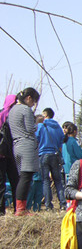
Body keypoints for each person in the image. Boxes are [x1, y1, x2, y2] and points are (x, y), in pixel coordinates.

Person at [9, 87, 41, 216]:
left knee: (22, 177)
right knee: (26, 177)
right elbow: (29, 128)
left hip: (16, 145)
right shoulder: (25, 110)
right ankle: (21, 208)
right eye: (33, 101)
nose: (33, 105)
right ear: (28, 98)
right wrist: (37, 123)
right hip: (26, 145)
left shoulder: (12, 110)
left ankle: (19, 207)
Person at [36, 107, 66, 211]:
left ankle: (48, 205)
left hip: (43, 154)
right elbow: (62, 139)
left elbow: (36, 138)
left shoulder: (41, 125)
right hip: (55, 154)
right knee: (58, 181)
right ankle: (62, 203)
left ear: (45, 115)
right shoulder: (57, 126)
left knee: (45, 180)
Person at [0, 94, 18, 215]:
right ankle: (16, 207)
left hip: (7, 153)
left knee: (5, 182)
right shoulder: (9, 115)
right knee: (12, 181)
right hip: (8, 152)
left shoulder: (6, 114)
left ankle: (4, 209)